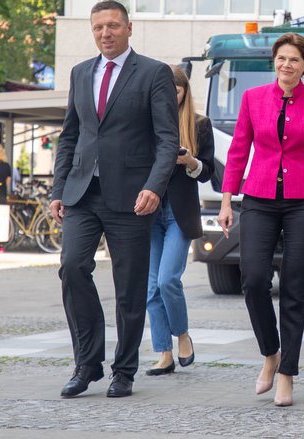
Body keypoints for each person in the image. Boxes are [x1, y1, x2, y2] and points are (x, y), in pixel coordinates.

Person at [50, 0, 179, 398]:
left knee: (129, 287)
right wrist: (58, 190)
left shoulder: (154, 73)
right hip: (82, 194)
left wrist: (155, 187)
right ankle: (87, 363)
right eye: (98, 27)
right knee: (72, 268)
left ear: (128, 28)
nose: (105, 33)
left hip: (132, 198)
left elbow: (167, 140)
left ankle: (123, 371)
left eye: (112, 26)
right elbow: (70, 135)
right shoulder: (81, 71)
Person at [217, 33, 304, 407]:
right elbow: (239, 149)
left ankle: (287, 372)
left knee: (293, 286)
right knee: (253, 278)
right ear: (275, 62)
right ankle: (270, 353)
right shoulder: (253, 99)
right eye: (281, 59)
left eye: (294, 60)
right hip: (258, 197)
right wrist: (227, 200)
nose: (286, 65)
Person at [145, 65, 215, 376]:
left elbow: (209, 172)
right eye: (166, 91)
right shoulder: (145, 124)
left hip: (179, 213)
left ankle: (182, 334)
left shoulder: (200, 125)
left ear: (185, 91)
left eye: (177, 91)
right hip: (148, 212)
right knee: (150, 289)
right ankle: (164, 353)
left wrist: (190, 162)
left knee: (167, 280)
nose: (171, 97)